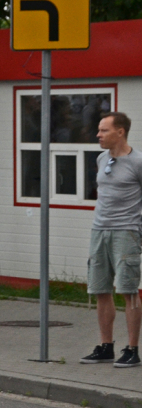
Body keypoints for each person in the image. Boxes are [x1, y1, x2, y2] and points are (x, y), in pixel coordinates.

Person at [80, 112, 142, 367]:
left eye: (104, 131)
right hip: (99, 230)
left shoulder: (137, 162)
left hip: (126, 231)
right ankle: (106, 346)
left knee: (128, 291)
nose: (98, 135)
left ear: (120, 132)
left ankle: (132, 349)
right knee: (100, 290)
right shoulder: (101, 158)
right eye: (98, 130)